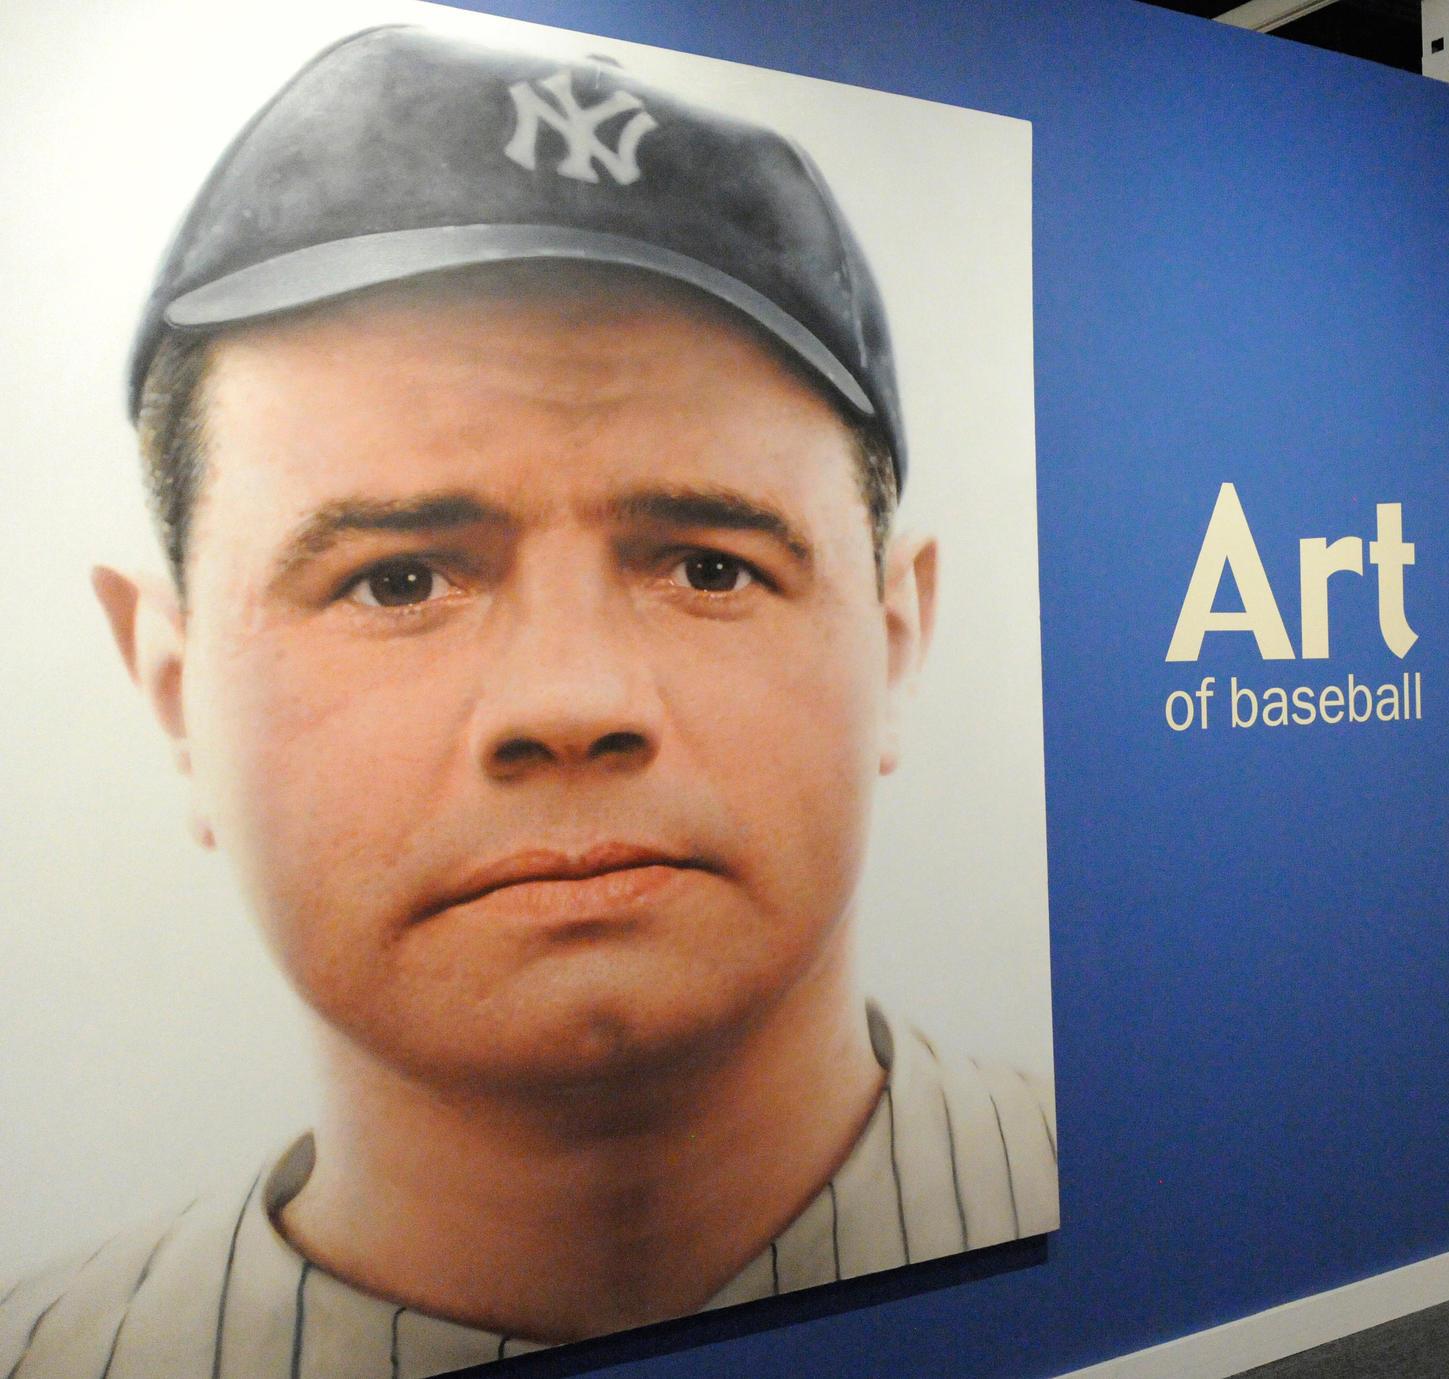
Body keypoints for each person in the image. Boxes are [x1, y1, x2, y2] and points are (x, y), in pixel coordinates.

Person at [0, 25, 1055, 1379]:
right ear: (169, 686)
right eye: (397, 580)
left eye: (708, 564)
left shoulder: (1170, 1194)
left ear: (897, 634)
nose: (572, 701)